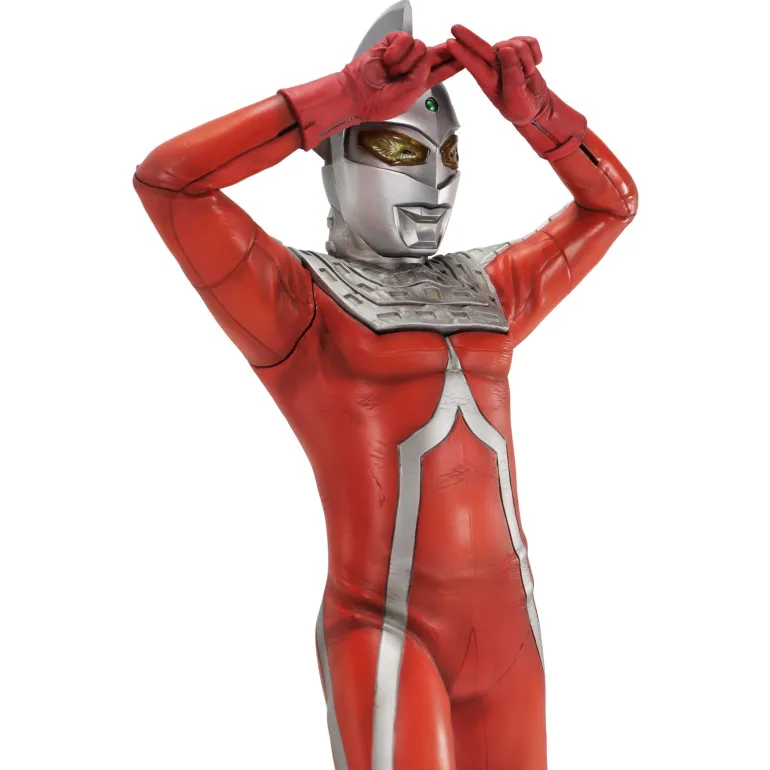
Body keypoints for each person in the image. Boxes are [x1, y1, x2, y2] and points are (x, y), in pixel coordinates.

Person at [133, 3, 637, 768]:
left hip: (512, 626)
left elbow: (612, 204)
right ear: (335, 158)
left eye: (449, 154)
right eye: (397, 149)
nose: (434, 182)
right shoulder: (297, 300)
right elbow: (169, 183)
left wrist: (541, 118)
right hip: (386, 630)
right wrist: (337, 97)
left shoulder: (488, 286)